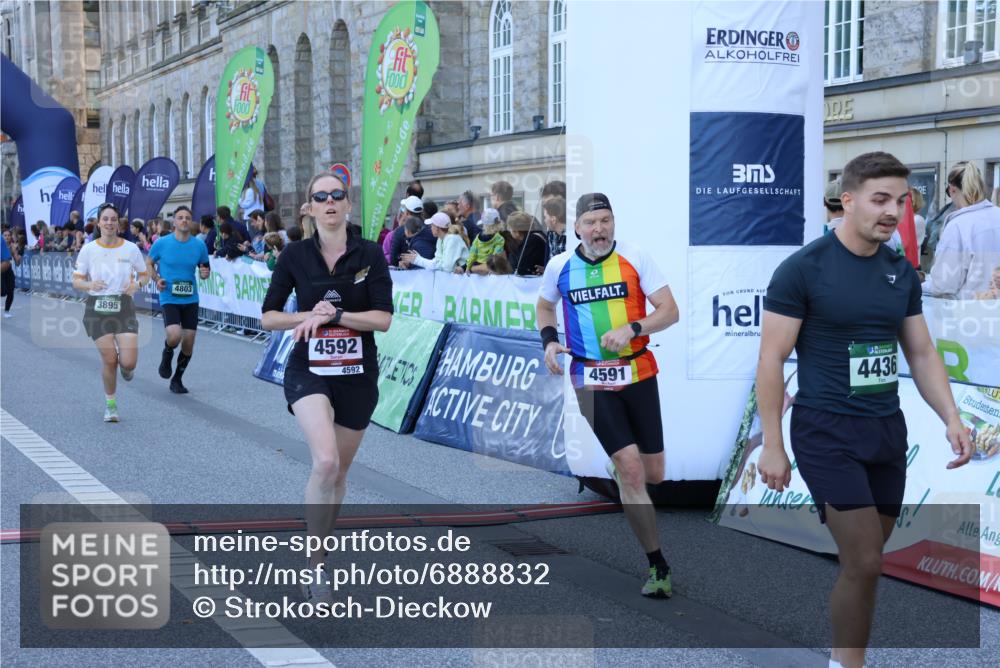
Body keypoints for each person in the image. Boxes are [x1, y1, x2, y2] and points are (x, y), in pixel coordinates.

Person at [756, 152, 974, 668]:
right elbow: (771, 358)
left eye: (901, 201)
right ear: (848, 200)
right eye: (880, 200)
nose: (892, 211)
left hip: (885, 431)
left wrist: (951, 417)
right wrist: (772, 444)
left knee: (867, 563)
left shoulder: (900, 272)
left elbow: (921, 353)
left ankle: (845, 655)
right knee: (865, 559)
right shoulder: (803, 269)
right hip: (825, 430)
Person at [537, 192, 680, 599]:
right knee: (632, 470)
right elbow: (545, 308)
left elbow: (669, 311)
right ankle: (657, 565)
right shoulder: (560, 266)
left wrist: (633, 328)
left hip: (638, 371)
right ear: (576, 228)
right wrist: (549, 342)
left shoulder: (635, 256)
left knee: (654, 474)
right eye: (591, 222)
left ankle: (625, 472)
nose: (599, 229)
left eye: (605, 220)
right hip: (589, 377)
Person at [261, 172, 393, 603]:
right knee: (325, 461)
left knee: (339, 474)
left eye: (337, 195)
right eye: (321, 197)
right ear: (310, 207)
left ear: (348, 204)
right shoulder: (295, 255)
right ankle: (315, 566)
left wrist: (335, 316)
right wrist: (308, 317)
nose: (330, 202)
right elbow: (269, 317)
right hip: (310, 369)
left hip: (358, 373)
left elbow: (383, 319)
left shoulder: (369, 253)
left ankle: (319, 545)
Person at [70, 203, 149, 422]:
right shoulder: (89, 249)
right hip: (97, 308)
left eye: (113, 219)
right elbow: (76, 281)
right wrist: (90, 285)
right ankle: (111, 406)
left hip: (124, 307)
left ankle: (127, 367)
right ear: (98, 222)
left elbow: (145, 275)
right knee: (110, 360)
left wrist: (136, 285)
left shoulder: (130, 249)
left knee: (128, 363)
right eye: (105, 219)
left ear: (119, 223)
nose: (109, 223)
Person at [146, 205, 212, 394]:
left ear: (191, 222)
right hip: (169, 296)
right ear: (174, 221)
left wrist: (205, 273)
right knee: (174, 336)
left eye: (187, 218)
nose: (184, 220)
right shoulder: (162, 243)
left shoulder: (199, 245)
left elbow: (205, 269)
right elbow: (149, 262)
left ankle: (177, 379)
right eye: (180, 217)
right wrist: (157, 279)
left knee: (189, 342)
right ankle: (167, 352)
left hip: (190, 298)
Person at [922, 161, 1000, 299]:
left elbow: (943, 285)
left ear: (952, 189)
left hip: (970, 308)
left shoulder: (958, 226)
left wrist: (919, 285)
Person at [402, 212, 469, 273]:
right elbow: (437, 262)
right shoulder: (440, 239)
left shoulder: (453, 239)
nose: (430, 228)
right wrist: (418, 260)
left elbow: (447, 268)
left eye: (432, 225)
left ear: (437, 228)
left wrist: (419, 260)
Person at [505, 211, 548, 276]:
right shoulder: (532, 237)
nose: (509, 231)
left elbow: (520, 267)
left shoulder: (533, 240)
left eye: (509, 229)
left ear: (516, 231)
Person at [465, 208, 506, 275]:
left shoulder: (477, 237)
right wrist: (492, 268)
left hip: (476, 266)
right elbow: (496, 255)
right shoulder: (499, 239)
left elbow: (472, 253)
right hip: (489, 268)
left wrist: (468, 267)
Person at [388, 196, 425, 266]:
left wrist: (403, 261)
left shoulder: (399, 231)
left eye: (404, 210)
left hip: (408, 271)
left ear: (407, 213)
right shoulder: (431, 229)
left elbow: (393, 259)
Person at [1, 228, 20, 317]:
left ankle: (6, 311)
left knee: (10, 291)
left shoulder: (13, 247)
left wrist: (17, 254)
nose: (7, 237)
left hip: (9, 272)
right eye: (5, 235)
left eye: (9, 235)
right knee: (3, 292)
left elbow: (17, 263)